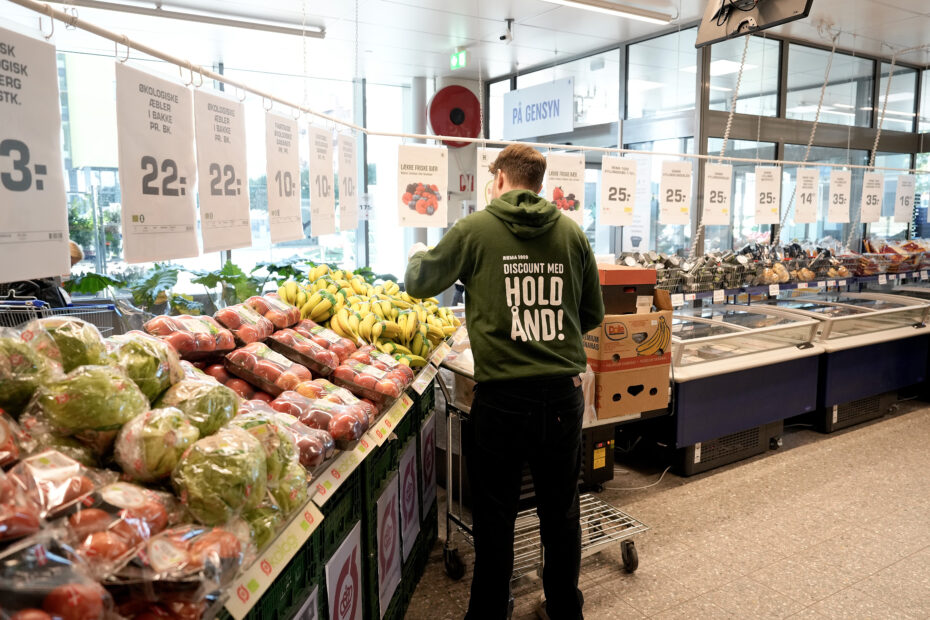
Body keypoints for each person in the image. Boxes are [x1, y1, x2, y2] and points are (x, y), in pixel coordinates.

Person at [404, 144, 604, 620]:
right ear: (539, 183)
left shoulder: (475, 230)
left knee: (495, 516)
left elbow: (418, 282)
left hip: (502, 400)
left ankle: (490, 612)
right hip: (561, 396)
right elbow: (592, 313)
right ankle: (563, 608)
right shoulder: (572, 235)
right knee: (561, 512)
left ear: (498, 179)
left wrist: (417, 252)